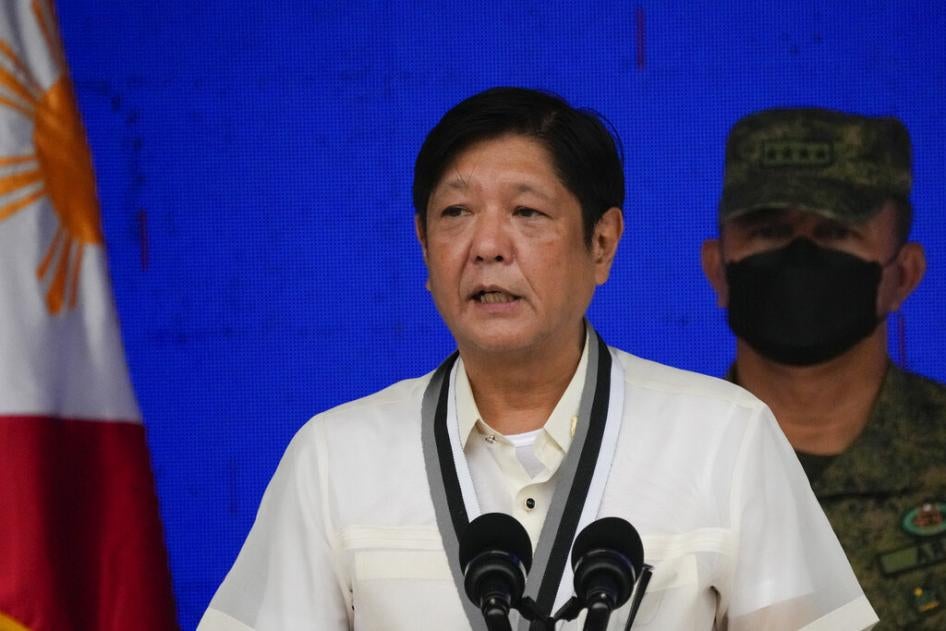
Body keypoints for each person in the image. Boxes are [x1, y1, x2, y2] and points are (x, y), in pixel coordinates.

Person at [199, 88, 877, 630]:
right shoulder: (334, 457)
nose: (488, 244)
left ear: (603, 242)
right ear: (423, 247)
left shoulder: (725, 437)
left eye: (527, 212)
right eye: (457, 212)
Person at [701, 108, 946, 630]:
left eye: (836, 231)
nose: (799, 257)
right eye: (769, 230)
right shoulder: (651, 468)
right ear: (717, 269)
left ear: (903, 275)